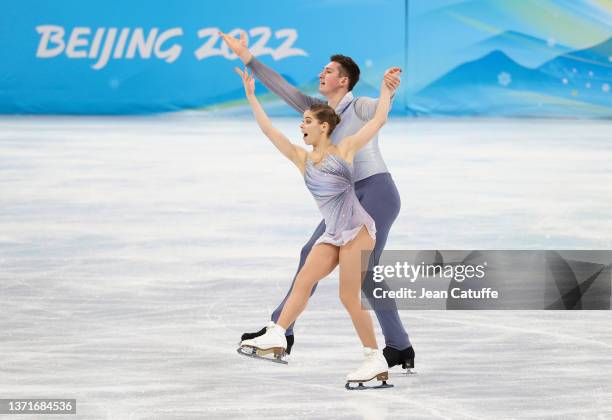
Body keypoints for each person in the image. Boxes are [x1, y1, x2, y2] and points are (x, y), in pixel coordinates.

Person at [220, 32, 415, 371]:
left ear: (344, 79)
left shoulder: (360, 105)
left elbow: (381, 111)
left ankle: (397, 347)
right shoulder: (320, 114)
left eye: (328, 71)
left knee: (364, 273)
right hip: (347, 198)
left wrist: (387, 88)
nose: (322, 74)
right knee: (312, 252)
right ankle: (281, 330)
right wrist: (248, 58)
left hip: (377, 193)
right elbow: (283, 89)